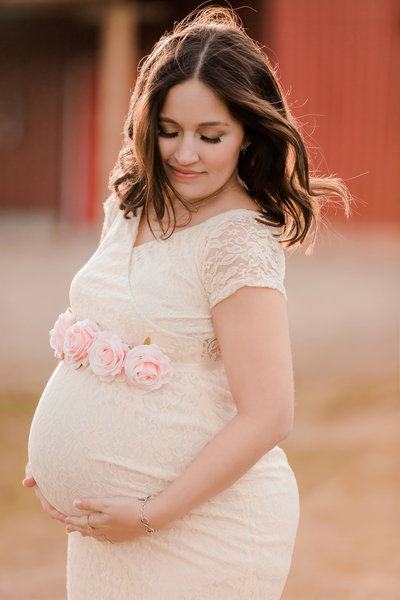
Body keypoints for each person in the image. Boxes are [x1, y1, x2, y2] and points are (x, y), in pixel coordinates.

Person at [23, 7, 350, 599]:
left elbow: (269, 415)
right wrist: (55, 455)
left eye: (210, 135)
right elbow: (107, 330)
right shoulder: (130, 204)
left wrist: (150, 515)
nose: (185, 153)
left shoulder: (237, 241)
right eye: (169, 129)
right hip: (107, 536)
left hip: (198, 534)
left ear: (247, 133)